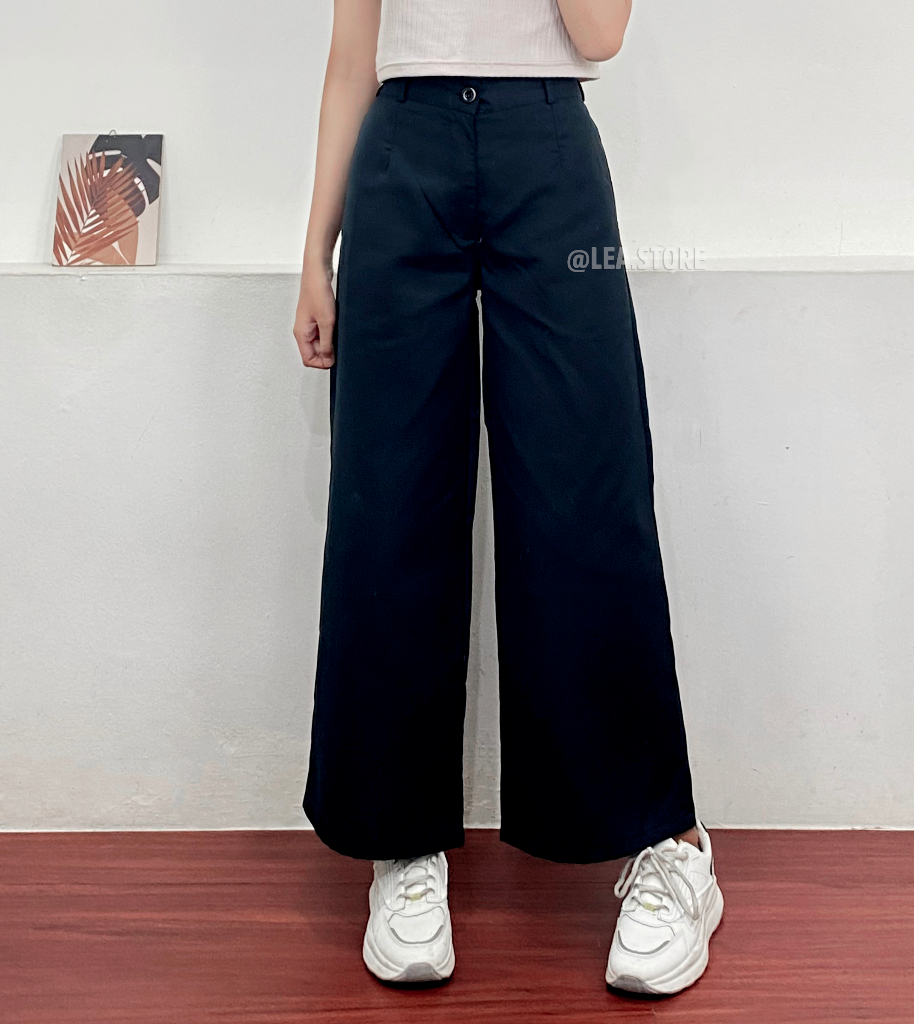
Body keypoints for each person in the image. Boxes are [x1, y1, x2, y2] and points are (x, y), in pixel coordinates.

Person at [292, 0, 724, 997]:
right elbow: (352, 59)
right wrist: (315, 251)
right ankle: (402, 845)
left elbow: (600, 34)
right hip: (401, 152)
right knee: (389, 501)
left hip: (549, 146)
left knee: (586, 496)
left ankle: (670, 844)